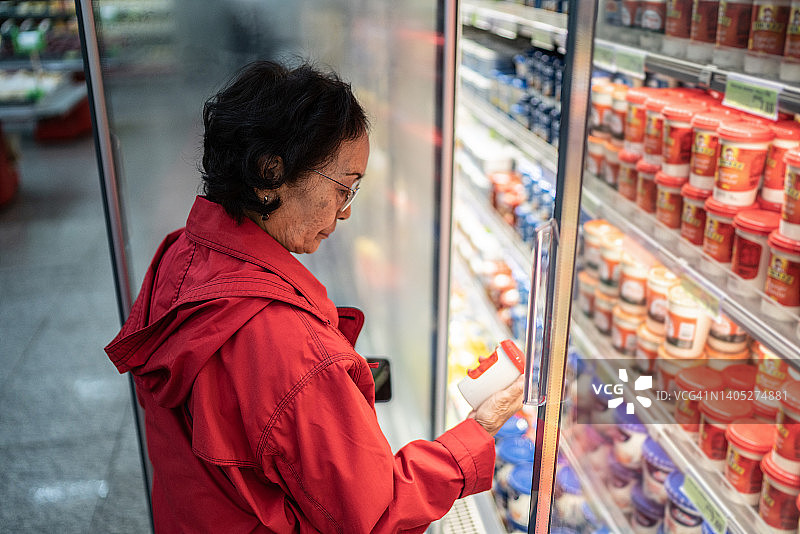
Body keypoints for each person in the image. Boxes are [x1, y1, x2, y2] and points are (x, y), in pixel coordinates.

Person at [104, 60, 525, 533]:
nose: (345, 213)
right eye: (344, 188)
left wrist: (338, 392)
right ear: (271, 172)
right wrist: (480, 429)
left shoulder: (182, 254)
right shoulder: (295, 352)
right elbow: (374, 516)